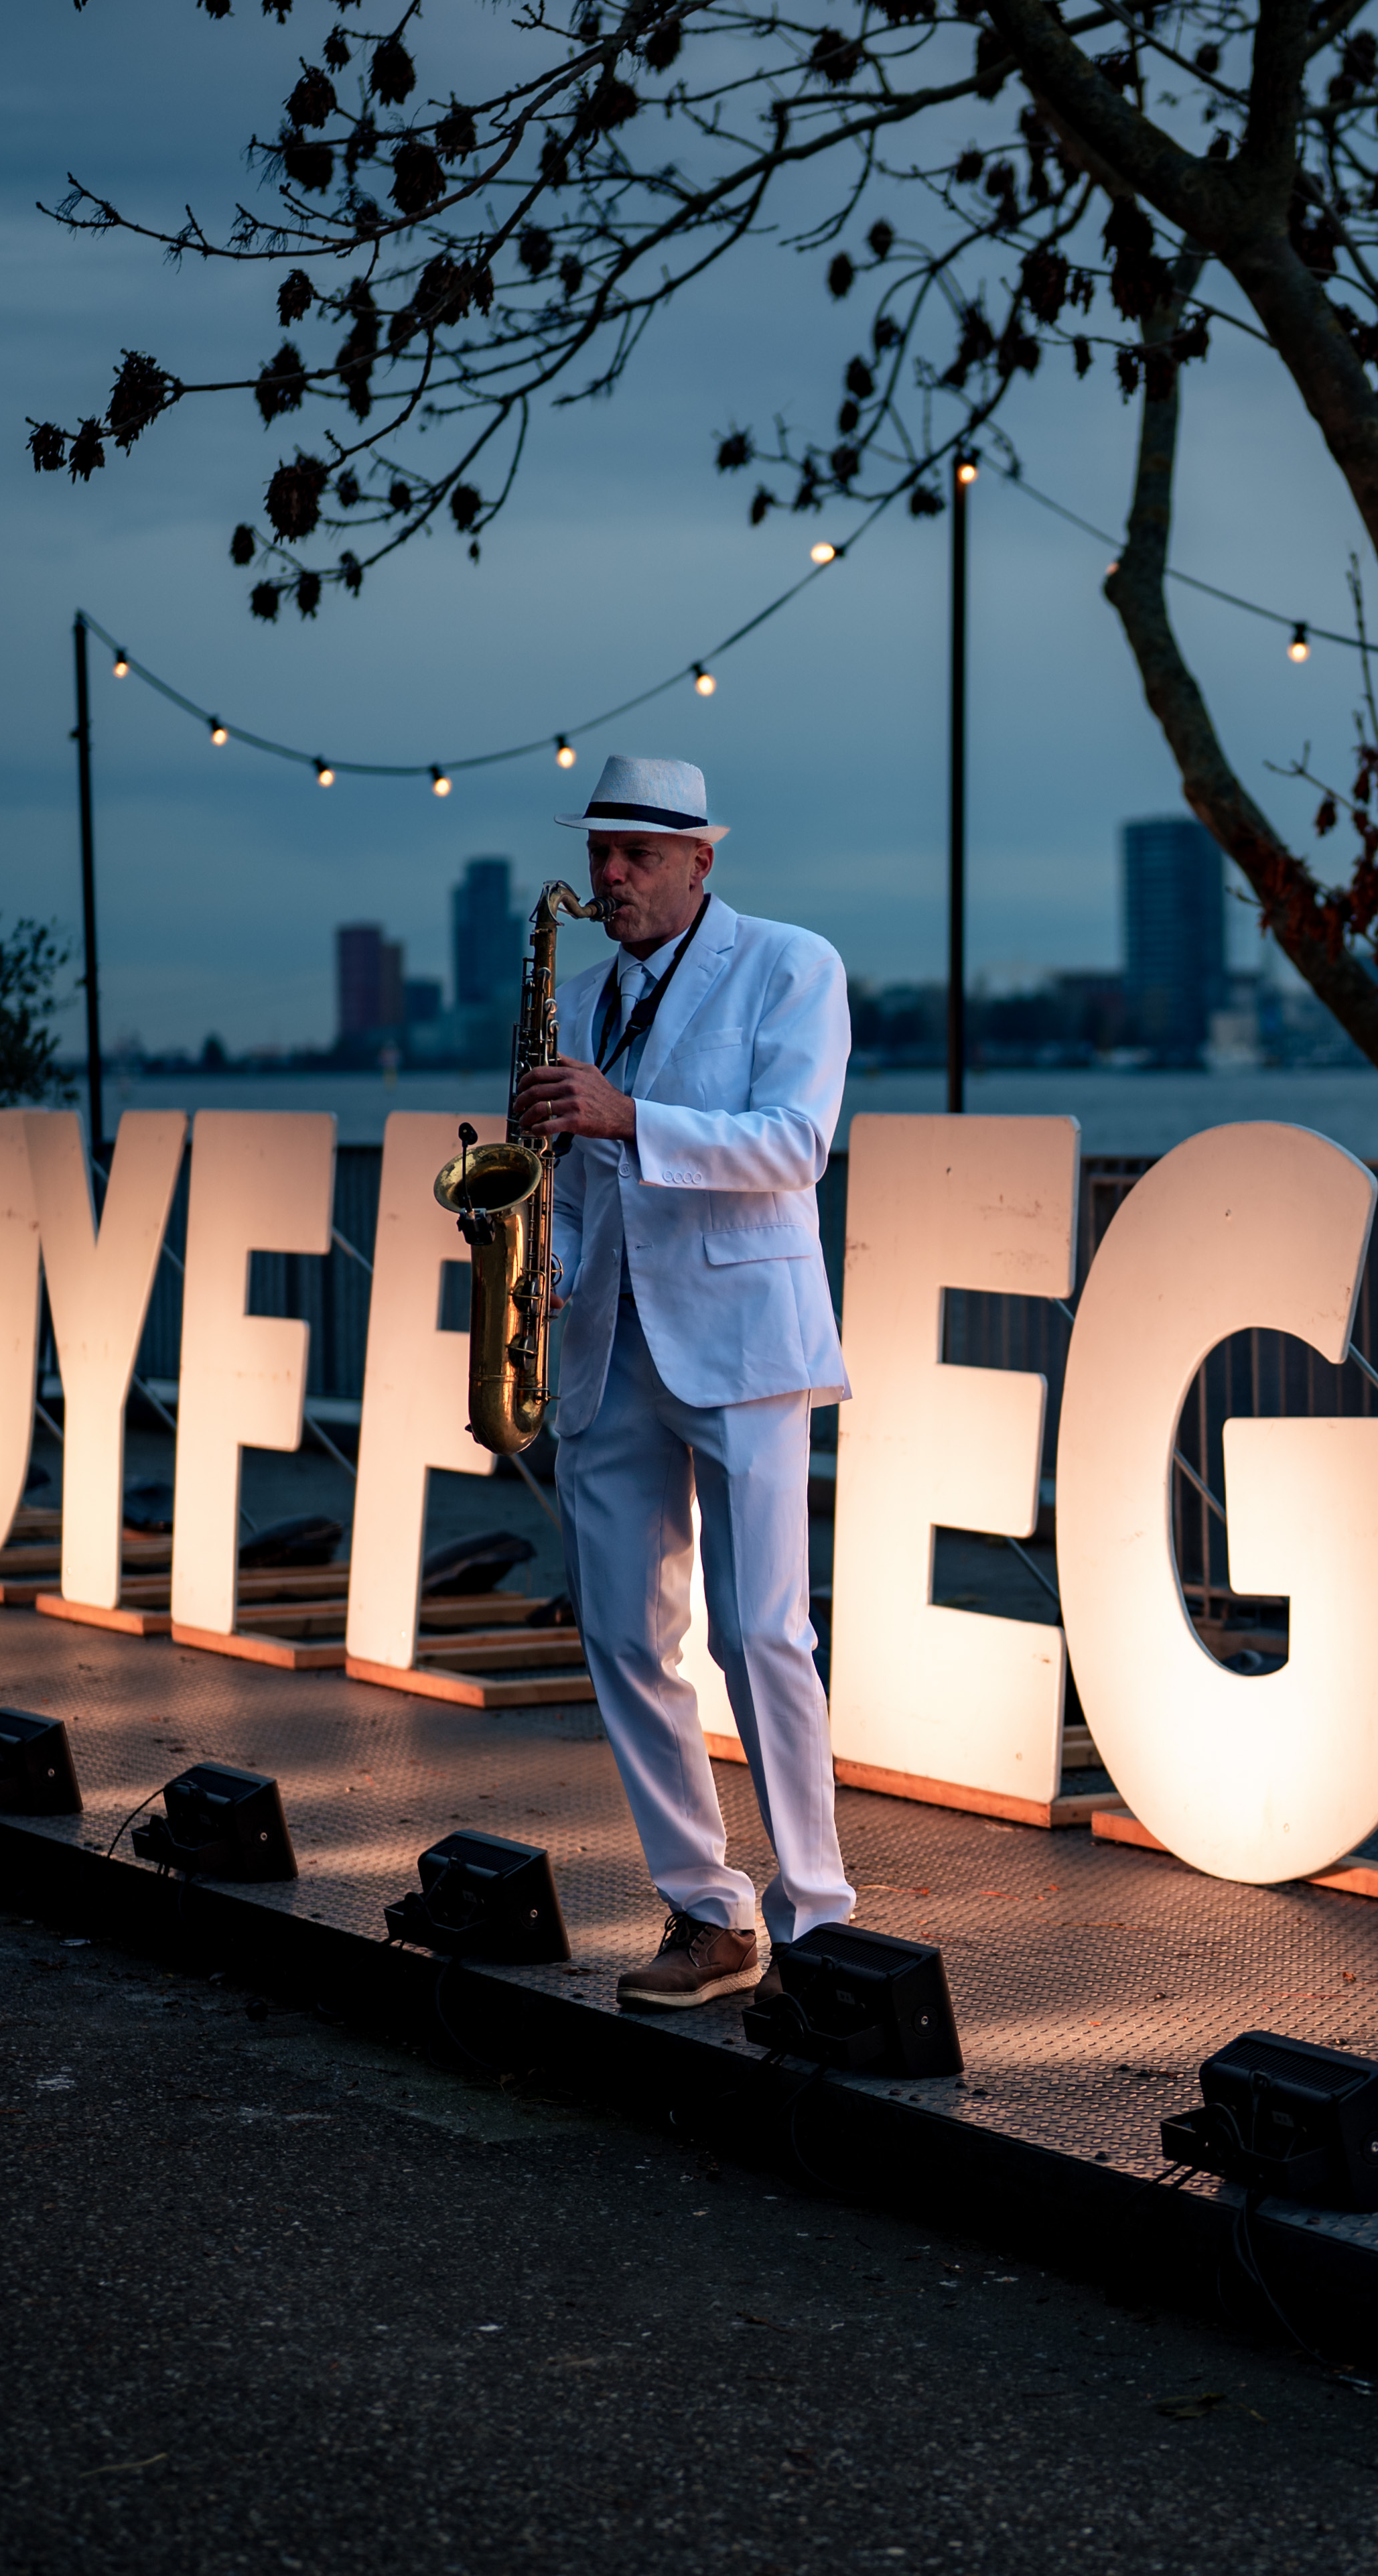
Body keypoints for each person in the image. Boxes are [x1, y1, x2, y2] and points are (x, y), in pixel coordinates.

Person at [513, 754, 853, 2009]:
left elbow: (796, 1147)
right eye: (602, 852)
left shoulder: (790, 964)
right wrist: (537, 1258)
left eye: (639, 856)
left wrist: (628, 1116)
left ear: (702, 862)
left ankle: (818, 1924)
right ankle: (706, 1913)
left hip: (746, 1341)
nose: (611, 875)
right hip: (610, 1344)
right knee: (619, 1636)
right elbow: (576, 1177)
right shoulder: (585, 997)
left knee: (762, 1631)